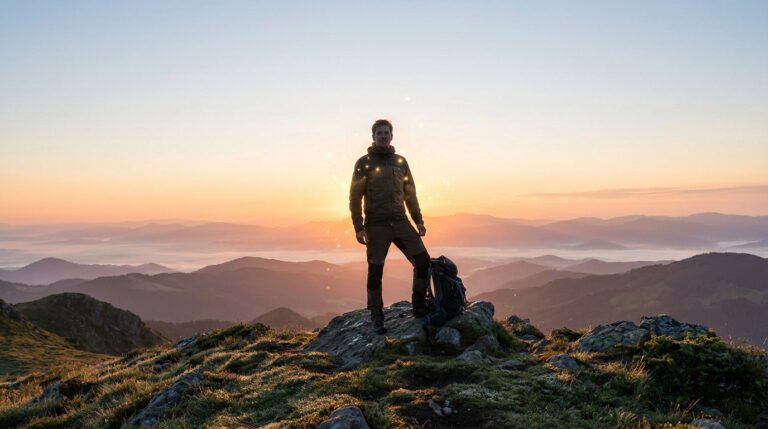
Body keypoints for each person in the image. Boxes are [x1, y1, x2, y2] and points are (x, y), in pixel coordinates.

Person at [349, 119, 431, 334]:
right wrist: (359, 227)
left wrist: (418, 220)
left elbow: (410, 193)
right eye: (379, 133)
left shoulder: (401, 162)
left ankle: (419, 306)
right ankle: (377, 317)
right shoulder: (363, 163)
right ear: (373, 137)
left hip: (401, 221)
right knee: (376, 270)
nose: (383, 136)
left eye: (386, 133)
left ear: (392, 136)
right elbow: (355, 197)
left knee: (423, 261)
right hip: (376, 224)